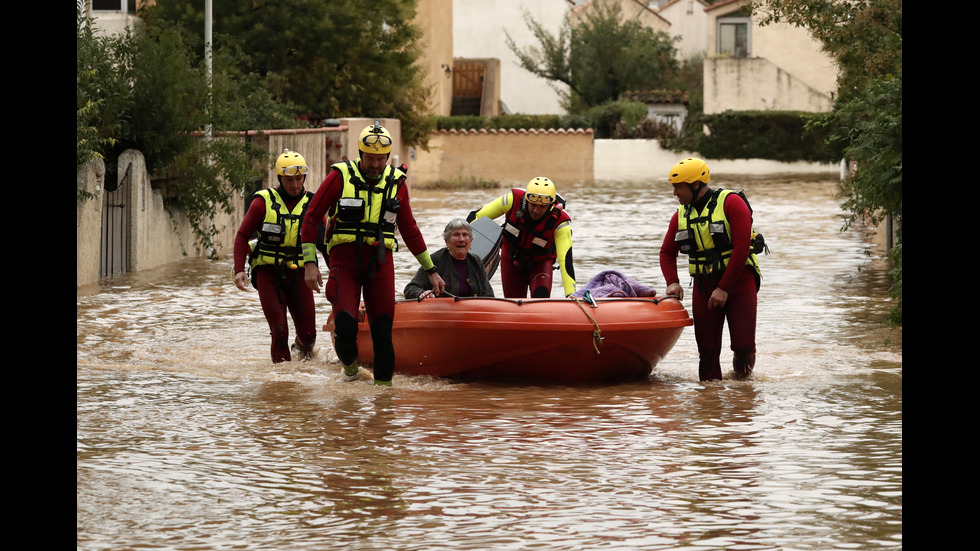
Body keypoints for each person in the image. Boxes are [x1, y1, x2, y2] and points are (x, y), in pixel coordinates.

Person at [300, 121, 445, 386]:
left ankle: (383, 400)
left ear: (387, 158)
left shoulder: (397, 183)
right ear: (360, 154)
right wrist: (310, 263)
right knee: (345, 329)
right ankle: (352, 372)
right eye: (370, 159)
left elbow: (410, 229)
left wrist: (431, 270)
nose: (376, 165)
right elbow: (311, 218)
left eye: (381, 159)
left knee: (382, 333)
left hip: (380, 263)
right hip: (344, 263)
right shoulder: (339, 176)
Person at [658, 157, 761, 382]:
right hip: (704, 287)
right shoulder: (681, 215)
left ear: (696, 185)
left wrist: (724, 287)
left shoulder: (732, 203)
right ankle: (709, 407)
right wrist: (672, 282)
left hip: (739, 282)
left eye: (678, 186)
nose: (675, 193)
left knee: (743, 347)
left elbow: (742, 248)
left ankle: (742, 393)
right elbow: (667, 252)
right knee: (707, 352)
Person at [233, 149, 319, 363]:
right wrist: (239, 269)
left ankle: (301, 356)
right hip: (268, 273)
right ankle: (282, 386)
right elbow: (242, 236)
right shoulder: (262, 202)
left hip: (300, 274)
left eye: (299, 179)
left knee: (309, 336)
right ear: (280, 178)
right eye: (289, 179)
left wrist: (335, 274)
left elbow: (325, 243)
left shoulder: (312, 204)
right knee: (279, 330)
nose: (295, 184)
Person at [466, 177, 575, 298]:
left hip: (540, 264)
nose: (536, 211)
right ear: (526, 200)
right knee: (514, 303)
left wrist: (571, 295)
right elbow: (476, 216)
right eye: (533, 204)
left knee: (540, 298)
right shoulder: (512, 199)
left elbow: (566, 261)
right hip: (511, 260)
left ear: (550, 205)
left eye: (542, 207)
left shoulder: (561, 222)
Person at [404, 218, 495, 300]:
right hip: (442, 314)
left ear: (471, 241)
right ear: (447, 241)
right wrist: (422, 293)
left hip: (471, 314)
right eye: (456, 234)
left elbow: (489, 295)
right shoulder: (434, 260)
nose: (461, 239)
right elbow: (410, 289)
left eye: (465, 234)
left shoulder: (475, 261)